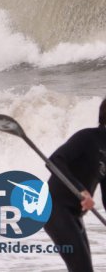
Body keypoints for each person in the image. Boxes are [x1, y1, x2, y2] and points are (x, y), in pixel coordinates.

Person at [43, 97, 106, 272]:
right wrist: (82, 191)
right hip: (53, 208)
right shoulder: (87, 137)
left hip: (74, 213)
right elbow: (54, 161)